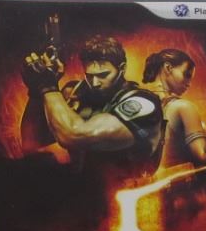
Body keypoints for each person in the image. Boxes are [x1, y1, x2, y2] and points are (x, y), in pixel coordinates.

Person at [21, 35, 164, 189]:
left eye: (103, 75)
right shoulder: (77, 93)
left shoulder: (142, 103)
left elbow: (74, 135)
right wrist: (36, 91)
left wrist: (48, 86)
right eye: (89, 76)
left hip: (127, 197)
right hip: (81, 194)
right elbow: (33, 150)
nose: (95, 83)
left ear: (122, 69)